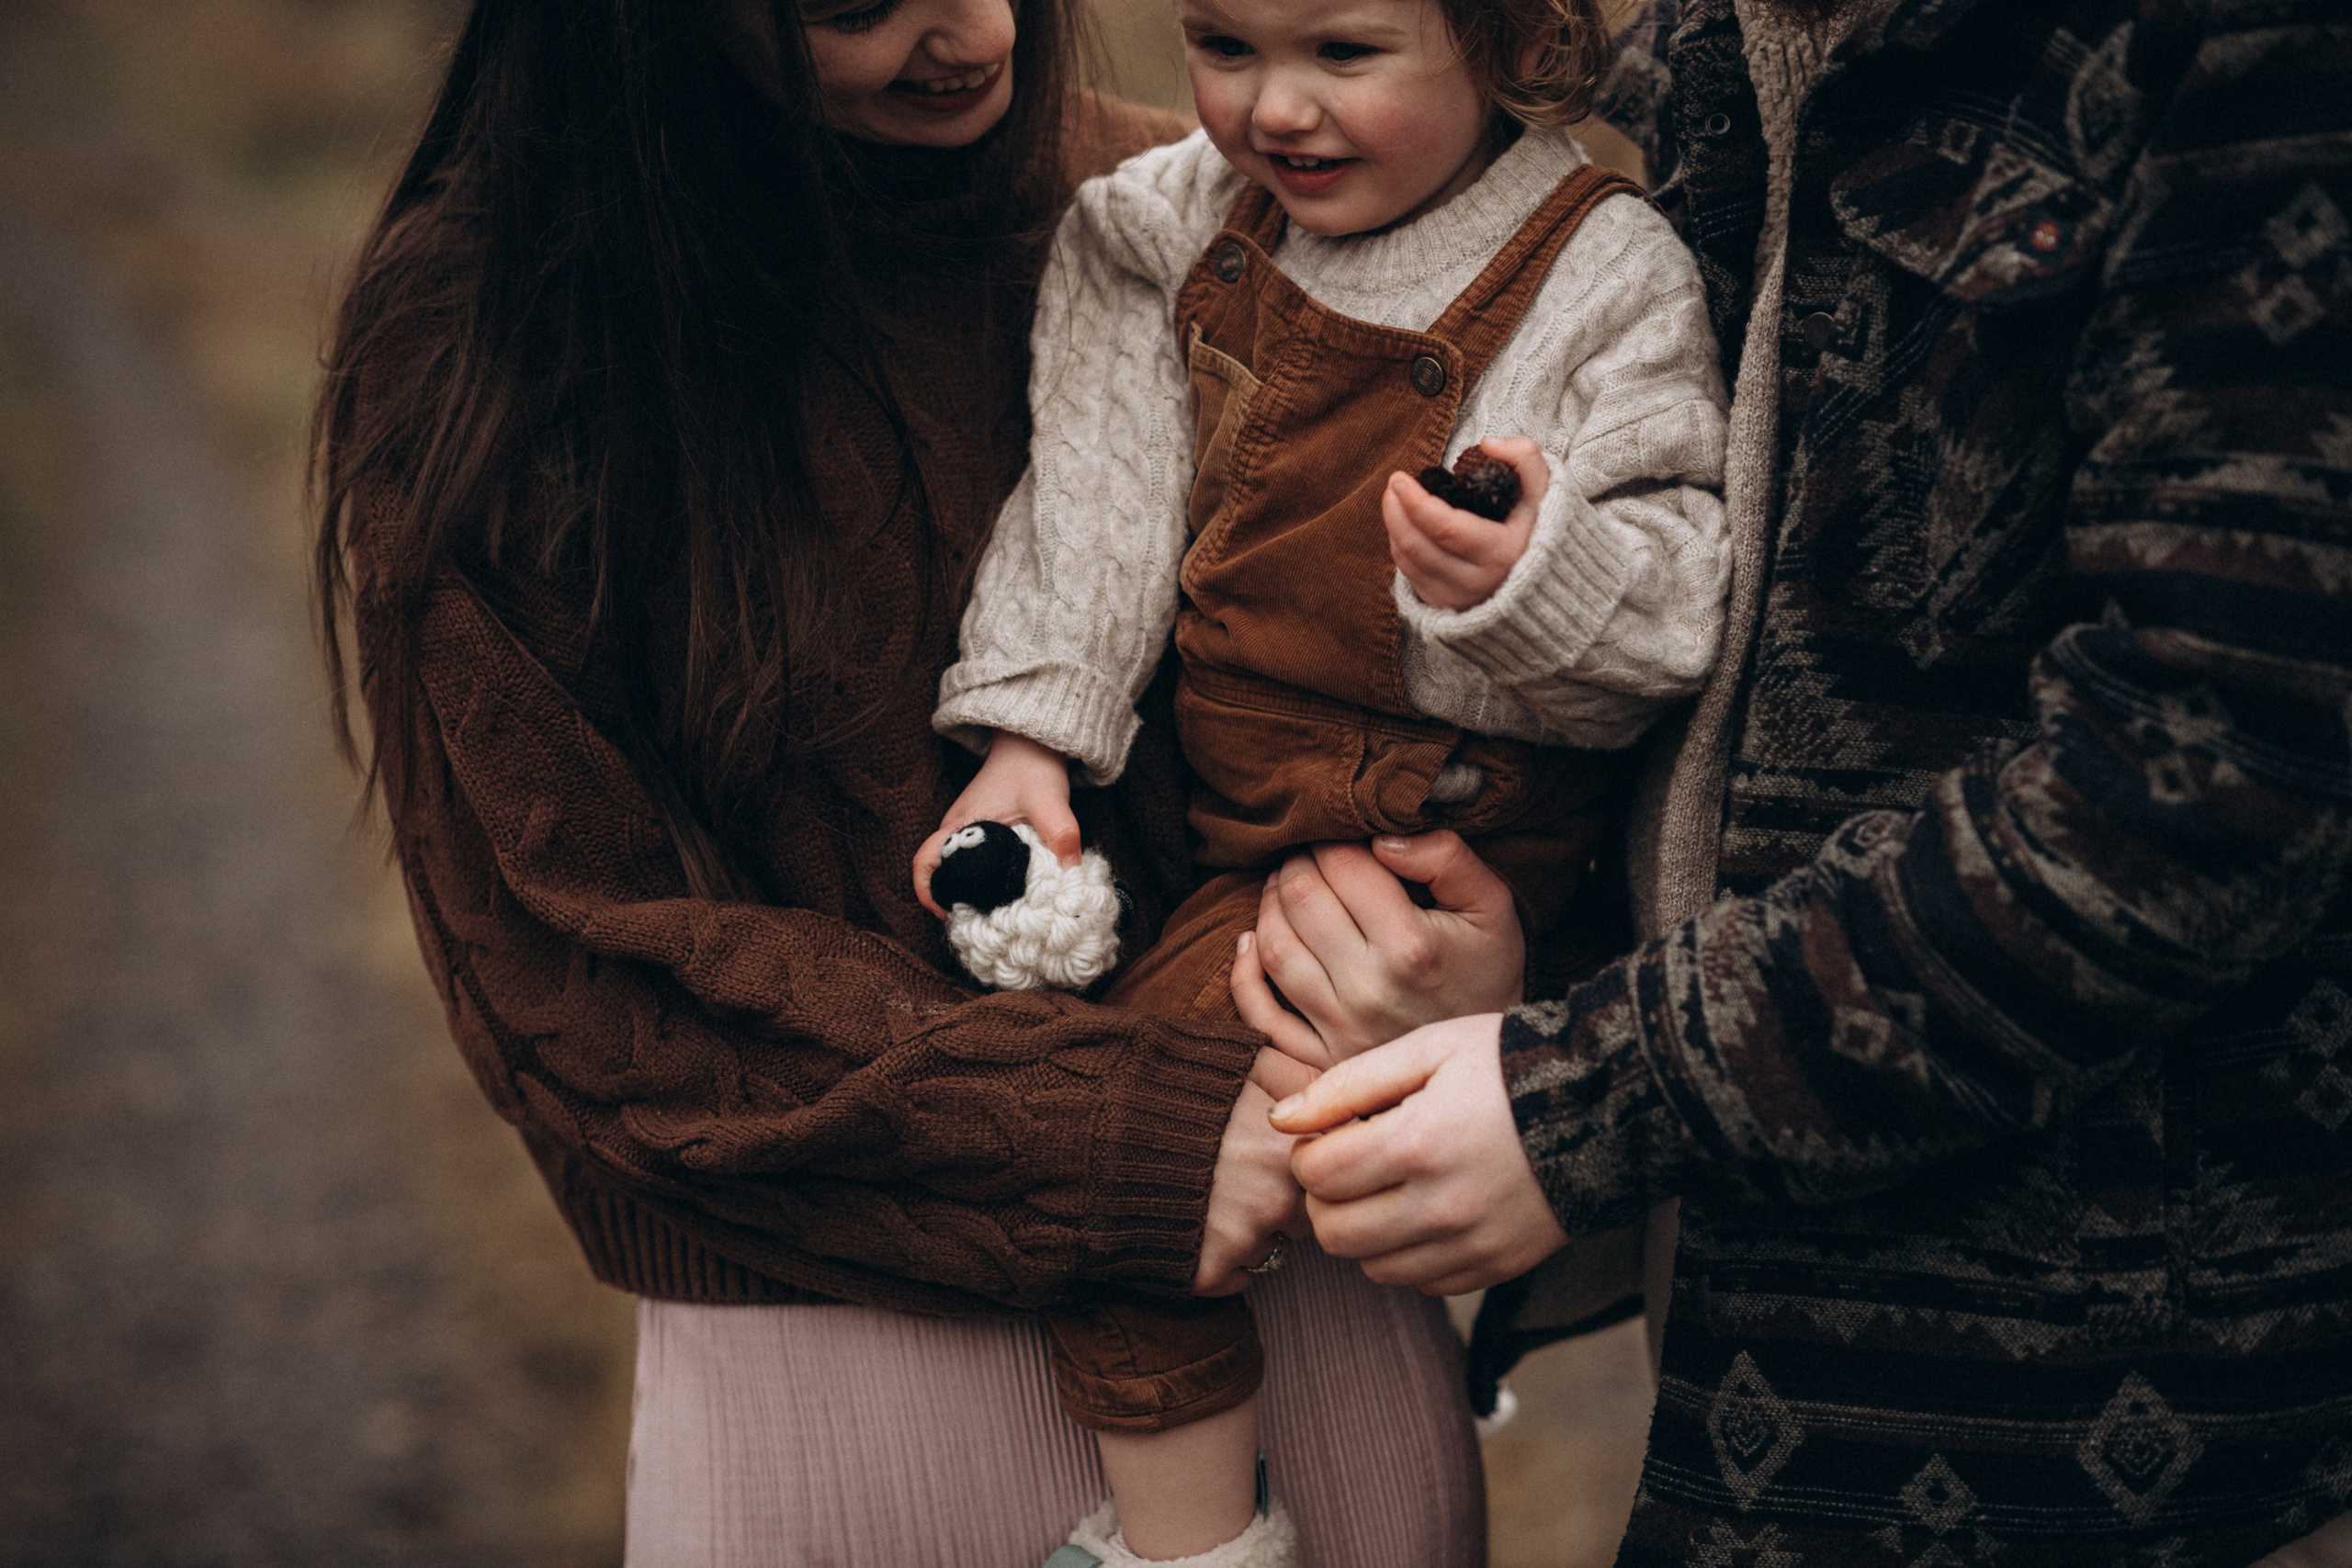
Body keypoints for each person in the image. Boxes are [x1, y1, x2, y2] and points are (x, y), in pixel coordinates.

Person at [310, 1, 1510, 1563]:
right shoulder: (506, 327)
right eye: (856, 3)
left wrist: (1485, 969)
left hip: (1306, 1307)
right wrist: (1104, 1145)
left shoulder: (1195, 209)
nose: (977, 27)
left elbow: (1446, 687)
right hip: (836, 1371)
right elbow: (567, 953)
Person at [1253, 0, 2352, 1563]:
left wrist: (1593, 1096)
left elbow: (2202, 788)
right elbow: (1754, 644)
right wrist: (1531, 980)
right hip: (1730, 1283)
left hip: (2090, 1410)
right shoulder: (1716, 38)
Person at [911, 0, 1727, 1559]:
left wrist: (1530, 575)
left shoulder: (1603, 266)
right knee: (1075, 1081)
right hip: (1237, 813)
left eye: (1341, 54)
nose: (1276, 109)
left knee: (1128, 1175)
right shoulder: (1163, 226)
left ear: (1506, 41)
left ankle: (1189, 1549)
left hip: (1432, 836)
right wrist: (1030, 740)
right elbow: (1096, 499)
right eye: (1224, 46)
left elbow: (1683, 612)